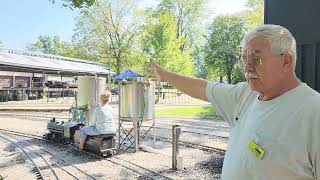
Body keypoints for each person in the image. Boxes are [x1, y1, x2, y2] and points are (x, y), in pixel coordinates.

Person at [149, 24, 320, 180]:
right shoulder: (244, 95)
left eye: (256, 59)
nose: (247, 67)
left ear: (286, 61)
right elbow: (202, 88)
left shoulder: (313, 112)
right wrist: (165, 75)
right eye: (245, 59)